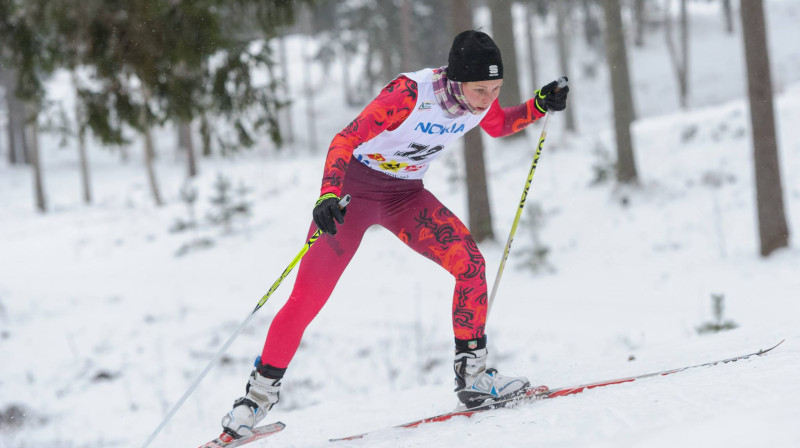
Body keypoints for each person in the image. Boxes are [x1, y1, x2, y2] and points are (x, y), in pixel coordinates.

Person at [220, 30, 569, 439]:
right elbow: (344, 138)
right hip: (352, 194)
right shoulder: (409, 93)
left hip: (406, 197)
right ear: (457, 80)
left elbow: (498, 124)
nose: (487, 98)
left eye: (496, 89)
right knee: (306, 299)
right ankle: (253, 404)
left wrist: (538, 105)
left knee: (471, 264)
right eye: (480, 89)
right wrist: (328, 194)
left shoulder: (476, 102)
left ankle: (473, 379)